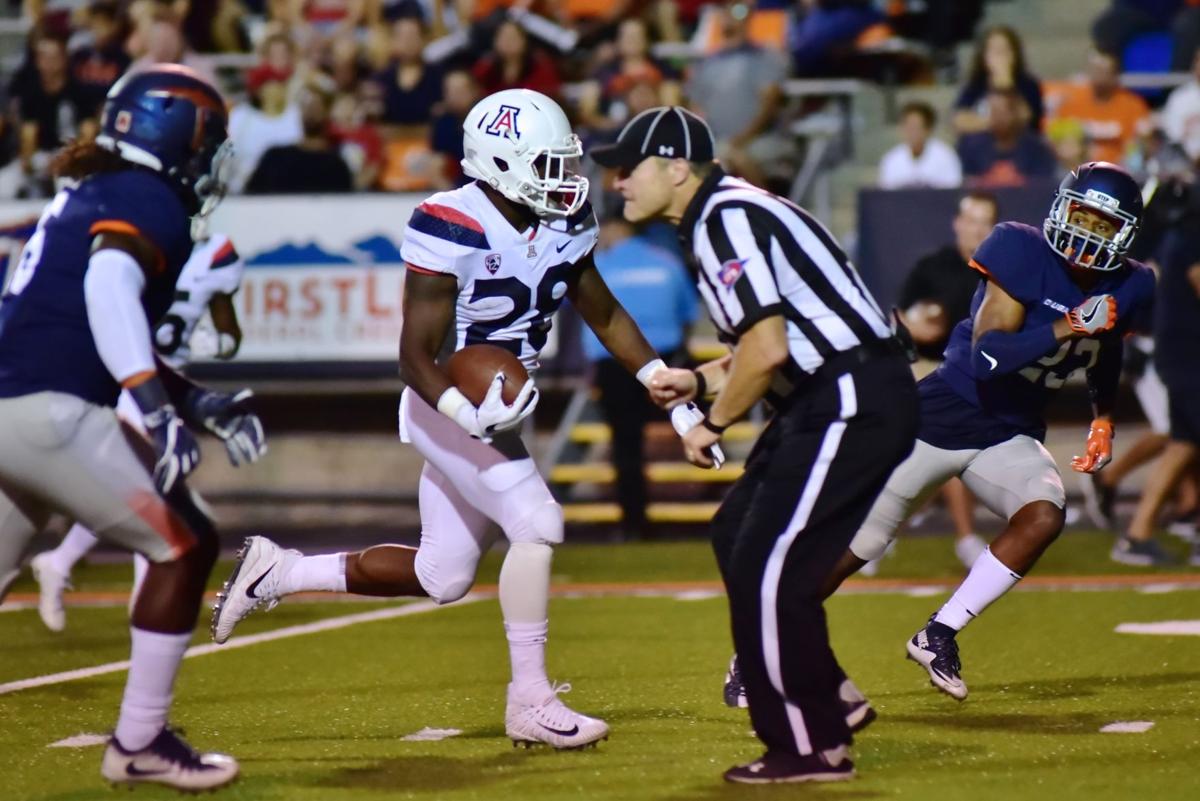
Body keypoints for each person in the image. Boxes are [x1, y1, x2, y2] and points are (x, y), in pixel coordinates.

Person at [210, 88, 719, 749]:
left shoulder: (565, 220)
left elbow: (604, 312)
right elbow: (413, 355)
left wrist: (674, 401)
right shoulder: (450, 220)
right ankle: (530, 699)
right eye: (547, 164)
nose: (565, 179)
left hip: (502, 403)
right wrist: (465, 413)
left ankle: (277, 570)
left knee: (441, 575)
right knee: (539, 521)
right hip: (445, 399)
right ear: (501, 164)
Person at [594, 105, 918, 783]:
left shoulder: (722, 219)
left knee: (772, 569)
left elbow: (767, 351)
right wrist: (699, 379)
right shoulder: (726, 212)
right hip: (835, 390)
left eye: (631, 167)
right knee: (737, 534)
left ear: (676, 167)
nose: (618, 181)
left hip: (848, 395)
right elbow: (773, 342)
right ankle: (827, 696)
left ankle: (809, 744)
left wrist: (712, 424)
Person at [0, 65, 264, 790]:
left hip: (11, 408)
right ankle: (140, 739)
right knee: (185, 544)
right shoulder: (146, 197)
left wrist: (191, 399)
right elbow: (106, 287)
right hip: (50, 412)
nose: (211, 158)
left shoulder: (94, 189)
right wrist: (152, 403)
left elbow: (95, 318)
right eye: (207, 140)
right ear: (173, 128)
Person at [821, 162, 1156, 701]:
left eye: (1102, 223)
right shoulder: (1017, 248)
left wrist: (1103, 415)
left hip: (1010, 430)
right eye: (1081, 215)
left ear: (1123, 234)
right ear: (1061, 207)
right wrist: (1067, 324)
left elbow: (1107, 346)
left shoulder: (1135, 282)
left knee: (1045, 515)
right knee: (860, 545)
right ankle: (759, 649)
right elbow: (988, 357)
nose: (1087, 232)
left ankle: (939, 632)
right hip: (943, 414)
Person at [30, 229, 250, 632]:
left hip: (172, 384)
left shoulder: (217, 252)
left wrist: (214, 342)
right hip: (130, 377)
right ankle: (134, 593)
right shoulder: (135, 240)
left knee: (141, 486)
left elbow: (229, 332)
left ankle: (60, 562)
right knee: (150, 483)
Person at [895, 192, 999, 569]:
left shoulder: (1002, 270)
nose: (976, 229)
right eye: (970, 220)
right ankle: (966, 536)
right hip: (929, 368)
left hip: (983, 371)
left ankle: (896, 523)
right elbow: (900, 323)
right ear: (958, 223)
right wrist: (918, 327)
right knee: (948, 437)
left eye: (984, 222)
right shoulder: (932, 267)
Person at [582, 214, 698, 538]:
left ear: (615, 229)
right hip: (665, 359)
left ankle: (634, 523)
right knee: (694, 427)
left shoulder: (598, 264)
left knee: (626, 445)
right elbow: (688, 314)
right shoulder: (666, 262)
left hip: (614, 364)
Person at [1116, 214, 1200, 566]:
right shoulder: (1194, 232)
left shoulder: (1180, 230)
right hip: (1190, 358)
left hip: (1178, 355)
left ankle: (1137, 535)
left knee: (1183, 444)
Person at [686, 1, 790, 189]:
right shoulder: (706, 63)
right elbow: (695, 107)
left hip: (758, 140)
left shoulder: (765, 57)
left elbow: (770, 104)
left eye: (739, 11)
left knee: (739, 157)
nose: (731, 17)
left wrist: (741, 139)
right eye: (725, 11)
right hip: (717, 141)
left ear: (749, 17)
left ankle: (762, 213)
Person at [245, 83, 354, 194]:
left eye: (315, 106)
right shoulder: (275, 157)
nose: (310, 111)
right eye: (305, 106)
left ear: (327, 112)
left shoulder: (336, 166)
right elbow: (250, 197)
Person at [1050, 49, 1149, 165]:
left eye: (1104, 71)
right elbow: (1058, 143)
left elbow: (1142, 145)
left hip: (1120, 171)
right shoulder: (1071, 102)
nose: (1099, 76)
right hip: (1079, 173)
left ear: (1115, 74)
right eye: (1095, 70)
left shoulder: (1133, 105)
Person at [953, 26, 1044, 135]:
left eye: (1004, 50)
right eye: (994, 50)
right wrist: (996, 123)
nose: (999, 55)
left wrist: (1006, 83)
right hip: (981, 145)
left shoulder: (1029, 84)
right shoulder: (975, 84)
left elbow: (1025, 118)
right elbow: (960, 120)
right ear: (984, 56)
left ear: (1015, 55)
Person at [958, 89, 1057, 187]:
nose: (998, 118)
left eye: (1003, 112)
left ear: (1016, 113)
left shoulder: (1037, 147)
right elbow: (964, 180)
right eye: (993, 112)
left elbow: (1043, 184)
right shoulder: (970, 144)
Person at [878, 101, 962, 189]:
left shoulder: (946, 156)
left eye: (916, 127)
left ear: (928, 129)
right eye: (908, 126)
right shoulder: (891, 159)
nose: (911, 132)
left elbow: (953, 192)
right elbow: (886, 196)